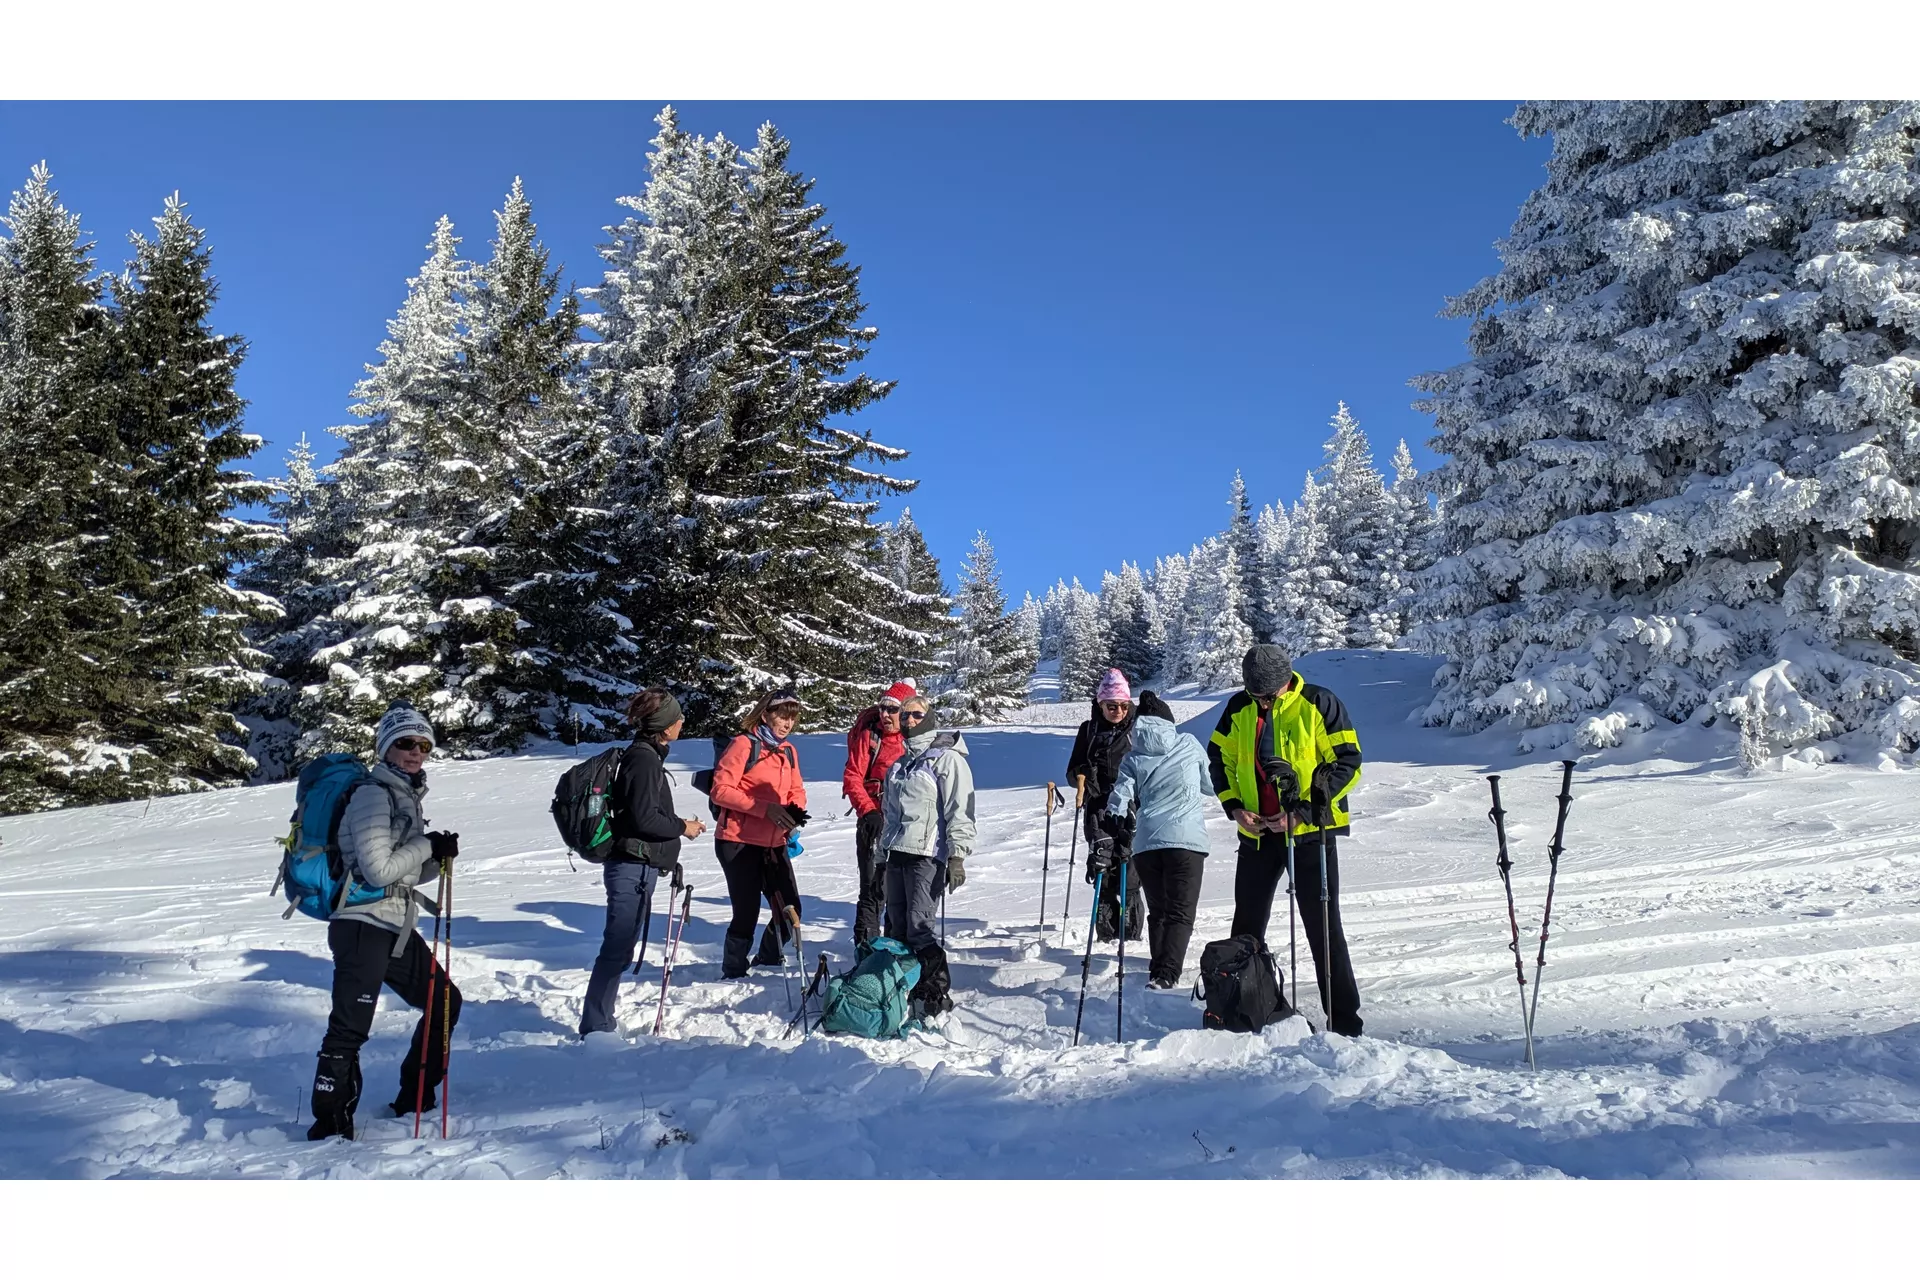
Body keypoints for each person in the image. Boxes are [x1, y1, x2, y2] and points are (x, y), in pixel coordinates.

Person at [308, 701, 463, 1141]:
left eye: (423, 744)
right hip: (361, 924)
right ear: (385, 747)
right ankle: (330, 1124)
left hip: (392, 924)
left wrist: (436, 856)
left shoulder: (403, 797)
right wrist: (426, 845)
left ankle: (417, 1097)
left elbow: (401, 870)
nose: (416, 751)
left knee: (445, 1002)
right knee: (349, 1029)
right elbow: (377, 871)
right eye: (405, 743)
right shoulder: (373, 795)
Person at [1205, 644, 1364, 1036]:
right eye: (1255, 694)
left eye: (1268, 693)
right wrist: (1234, 807)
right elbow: (1218, 758)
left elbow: (1348, 762)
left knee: (1324, 928)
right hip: (1257, 835)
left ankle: (1345, 1025)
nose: (1261, 700)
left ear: (1285, 681)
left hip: (1310, 833)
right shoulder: (1237, 707)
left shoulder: (1319, 702)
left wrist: (1304, 812)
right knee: (1246, 927)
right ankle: (1243, 1011)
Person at [578, 687, 707, 1038]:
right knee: (616, 947)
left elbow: (645, 814)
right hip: (629, 868)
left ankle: (600, 1020)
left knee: (621, 946)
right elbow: (644, 819)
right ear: (665, 726)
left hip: (638, 867)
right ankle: (596, 1025)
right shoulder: (644, 760)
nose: (682, 722)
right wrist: (683, 827)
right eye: (677, 718)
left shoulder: (647, 756)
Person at [1099, 691, 1211, 989]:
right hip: (1186, 842)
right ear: (1169, 721)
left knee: (1160, 911)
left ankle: (1157, 971)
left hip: (1147, 845)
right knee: (1180, 913)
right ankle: (1167, 974)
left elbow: (1121, 794)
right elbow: (1211, 786)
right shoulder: (1187, 743)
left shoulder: (1133, 756)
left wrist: (1114, 815)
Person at [878, 695, 976, 1016]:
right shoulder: (899, 763)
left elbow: (960, 810)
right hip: (897, 853)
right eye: (904, 716)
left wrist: (957, 856)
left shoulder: (947, 760)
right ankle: (901, 988)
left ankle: (934, 992)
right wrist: (882, 854)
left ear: (930, 717)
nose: (908, 721)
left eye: (916, 715)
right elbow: (889, 814)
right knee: (895, 928)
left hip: (926, 855)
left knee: (919, 927)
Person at [710, 688, 809, 979]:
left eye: (792, 718)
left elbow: (796, 790)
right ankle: (734, 969)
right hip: (737, 841)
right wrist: (763, 808)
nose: (787, 723)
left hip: (774, 842)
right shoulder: (744, 744)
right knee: (747, 910)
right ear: (765, 714)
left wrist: (795, 813)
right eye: (781, 716)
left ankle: (767, 957)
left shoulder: (789, 751)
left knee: (790, 910)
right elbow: (720, 790)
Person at [1066, 668, 1144, 942]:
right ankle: (1107, 935)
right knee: (1103, 867)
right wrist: (1083, 776)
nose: (1119, 711)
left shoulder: (1139, 727)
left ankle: (1131, 935)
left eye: (1124, 705)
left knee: (1130, 869)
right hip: (1098, 809)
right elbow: (1072, 771)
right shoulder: (1088, 730)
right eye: (1112, 706)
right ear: (1100, 704)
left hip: (1131, 808)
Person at [842, 680, 916, 947]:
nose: (885, 715)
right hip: (873, 821)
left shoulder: (915, 739)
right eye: (882, 708)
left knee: (900, 891)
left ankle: (895, 949)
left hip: (906, 826)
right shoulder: (870, 737)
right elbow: (852, 776)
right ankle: (867, 949)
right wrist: (868, 812)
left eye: (892, 710)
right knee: (873, 889)